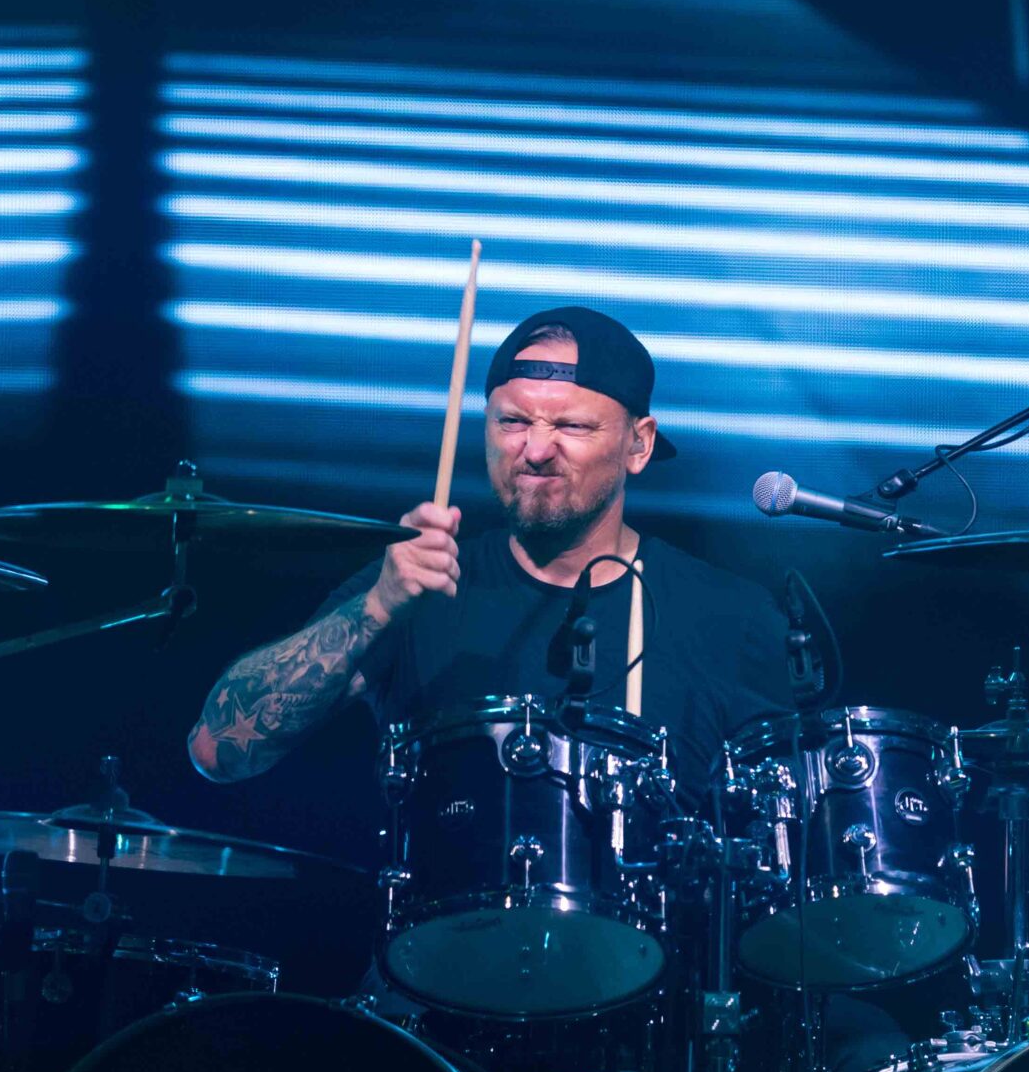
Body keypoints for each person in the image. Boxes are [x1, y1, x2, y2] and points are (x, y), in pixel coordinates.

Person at [186, 305, 792, 796]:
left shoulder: (729, 617)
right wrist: (377, 607)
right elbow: (217, 750)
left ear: (639, 445)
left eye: (572, 426)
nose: (536, 450)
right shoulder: (418, 584)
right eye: (512, 422)